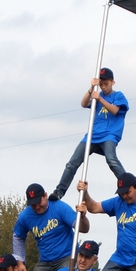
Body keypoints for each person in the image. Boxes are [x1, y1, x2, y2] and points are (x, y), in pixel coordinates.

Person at [49, 67, 129, 201]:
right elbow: (83, 103)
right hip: (92, 136)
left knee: (111, 160)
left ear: (112, 82)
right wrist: (91, 88)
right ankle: (59, 192)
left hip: (109, 135)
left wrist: (100, 100)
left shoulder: (118, 96)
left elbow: (115, 110)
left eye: (106, 84)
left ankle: (128, 185)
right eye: (101, 84)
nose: (103, 87)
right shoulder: (97, 93)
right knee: (72, 163)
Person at [12, 183, 90, 271]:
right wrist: (20, 261)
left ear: (45, 196)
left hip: (67, 256)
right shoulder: (24, 217)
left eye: (39, 202)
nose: (37, 207)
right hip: (45, 261)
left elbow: (83, 228)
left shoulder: (60, 207)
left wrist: (83, 217)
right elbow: (18, 237)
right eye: (33, 205)